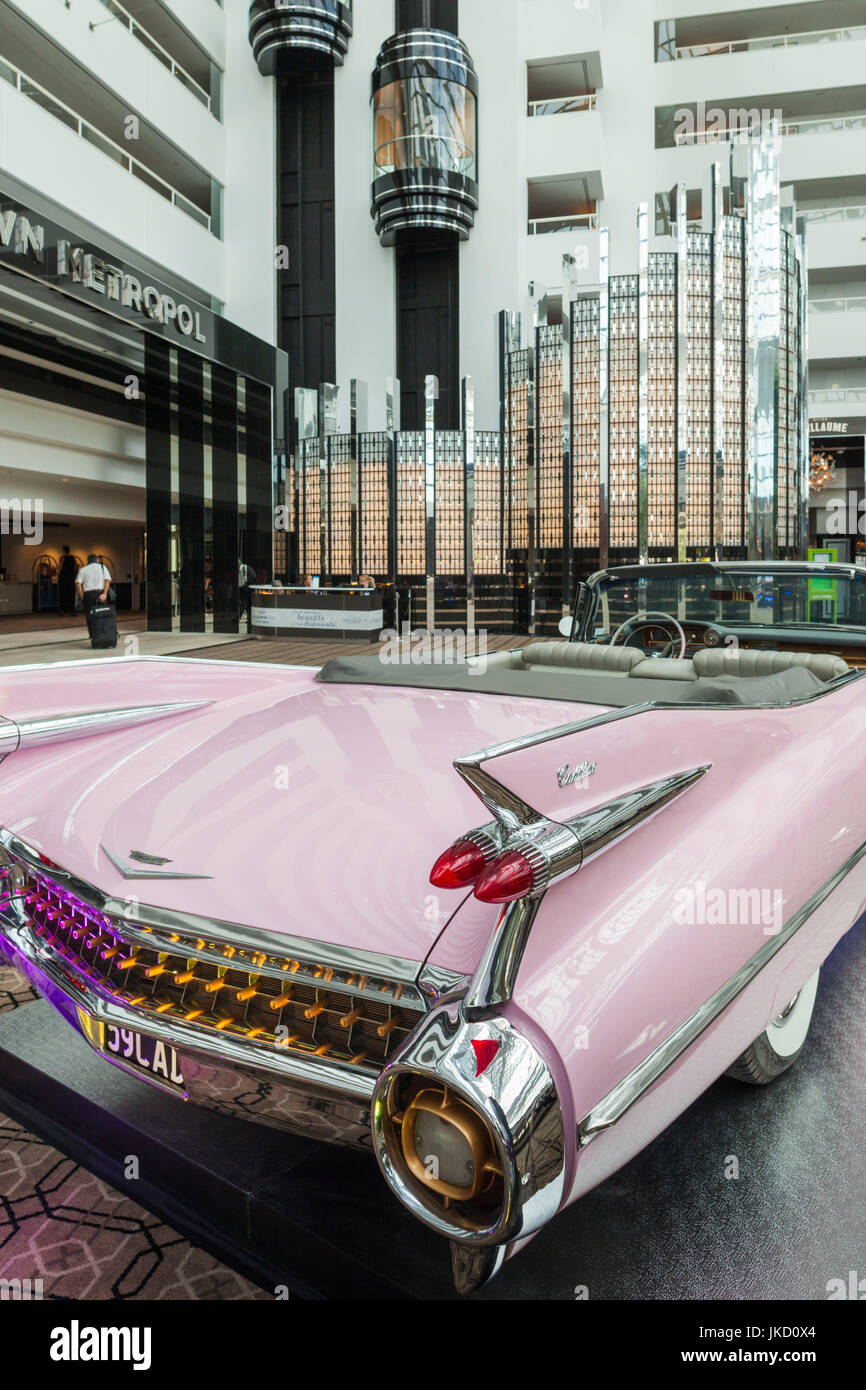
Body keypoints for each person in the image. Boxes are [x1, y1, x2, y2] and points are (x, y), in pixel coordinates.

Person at [75, 554, 111, 632]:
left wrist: (82, 595)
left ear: (88, 561)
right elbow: (107, 580)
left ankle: (93, 635)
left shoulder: (83, 569)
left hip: (88, 595)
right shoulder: (103, 567)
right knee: (102, 614)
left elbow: (78, 583)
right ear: (97, 560)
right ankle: (102, 634)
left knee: (89, 615)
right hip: (100, 594)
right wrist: (104, 593)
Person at [57, 545, 77, 615]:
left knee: (63, 594)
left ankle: (62, 610)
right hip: (71, 578)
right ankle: (72, 611)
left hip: (63, 578)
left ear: (64, 551)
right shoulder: (73, 558)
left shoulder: (62, 558)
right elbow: (75, 567)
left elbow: (60, 568)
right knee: (71, 594)